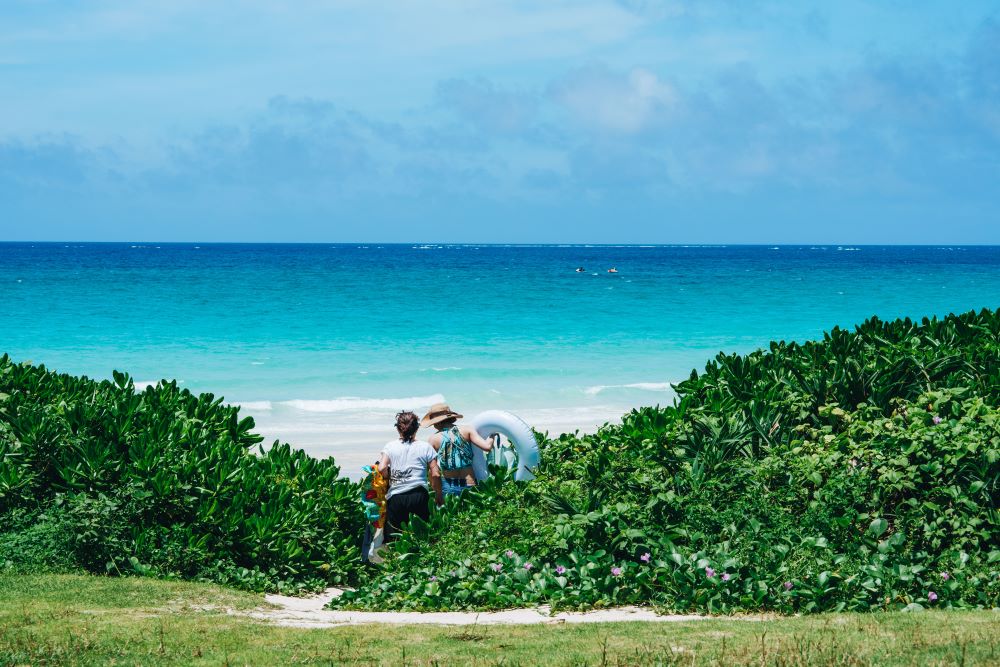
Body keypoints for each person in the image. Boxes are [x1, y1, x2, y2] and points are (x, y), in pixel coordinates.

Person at [378, 411, 443, 541]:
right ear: (417, 428)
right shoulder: (426, 447)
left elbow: (382, 468)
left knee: (394, 541)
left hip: (396, 498)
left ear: (398, 428)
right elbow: (435, 474)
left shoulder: (390, 446)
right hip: (419, 497)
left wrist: (388, 479)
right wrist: (438, 495)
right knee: (422, 538)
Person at [421, 403, 495, 495]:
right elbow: (487, 447)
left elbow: (431, 469)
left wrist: (434, 487)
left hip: (448, 485)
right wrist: (492, 435)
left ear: (438, 422)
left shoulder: (433, 439)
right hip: (469, 482)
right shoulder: (467, 430)